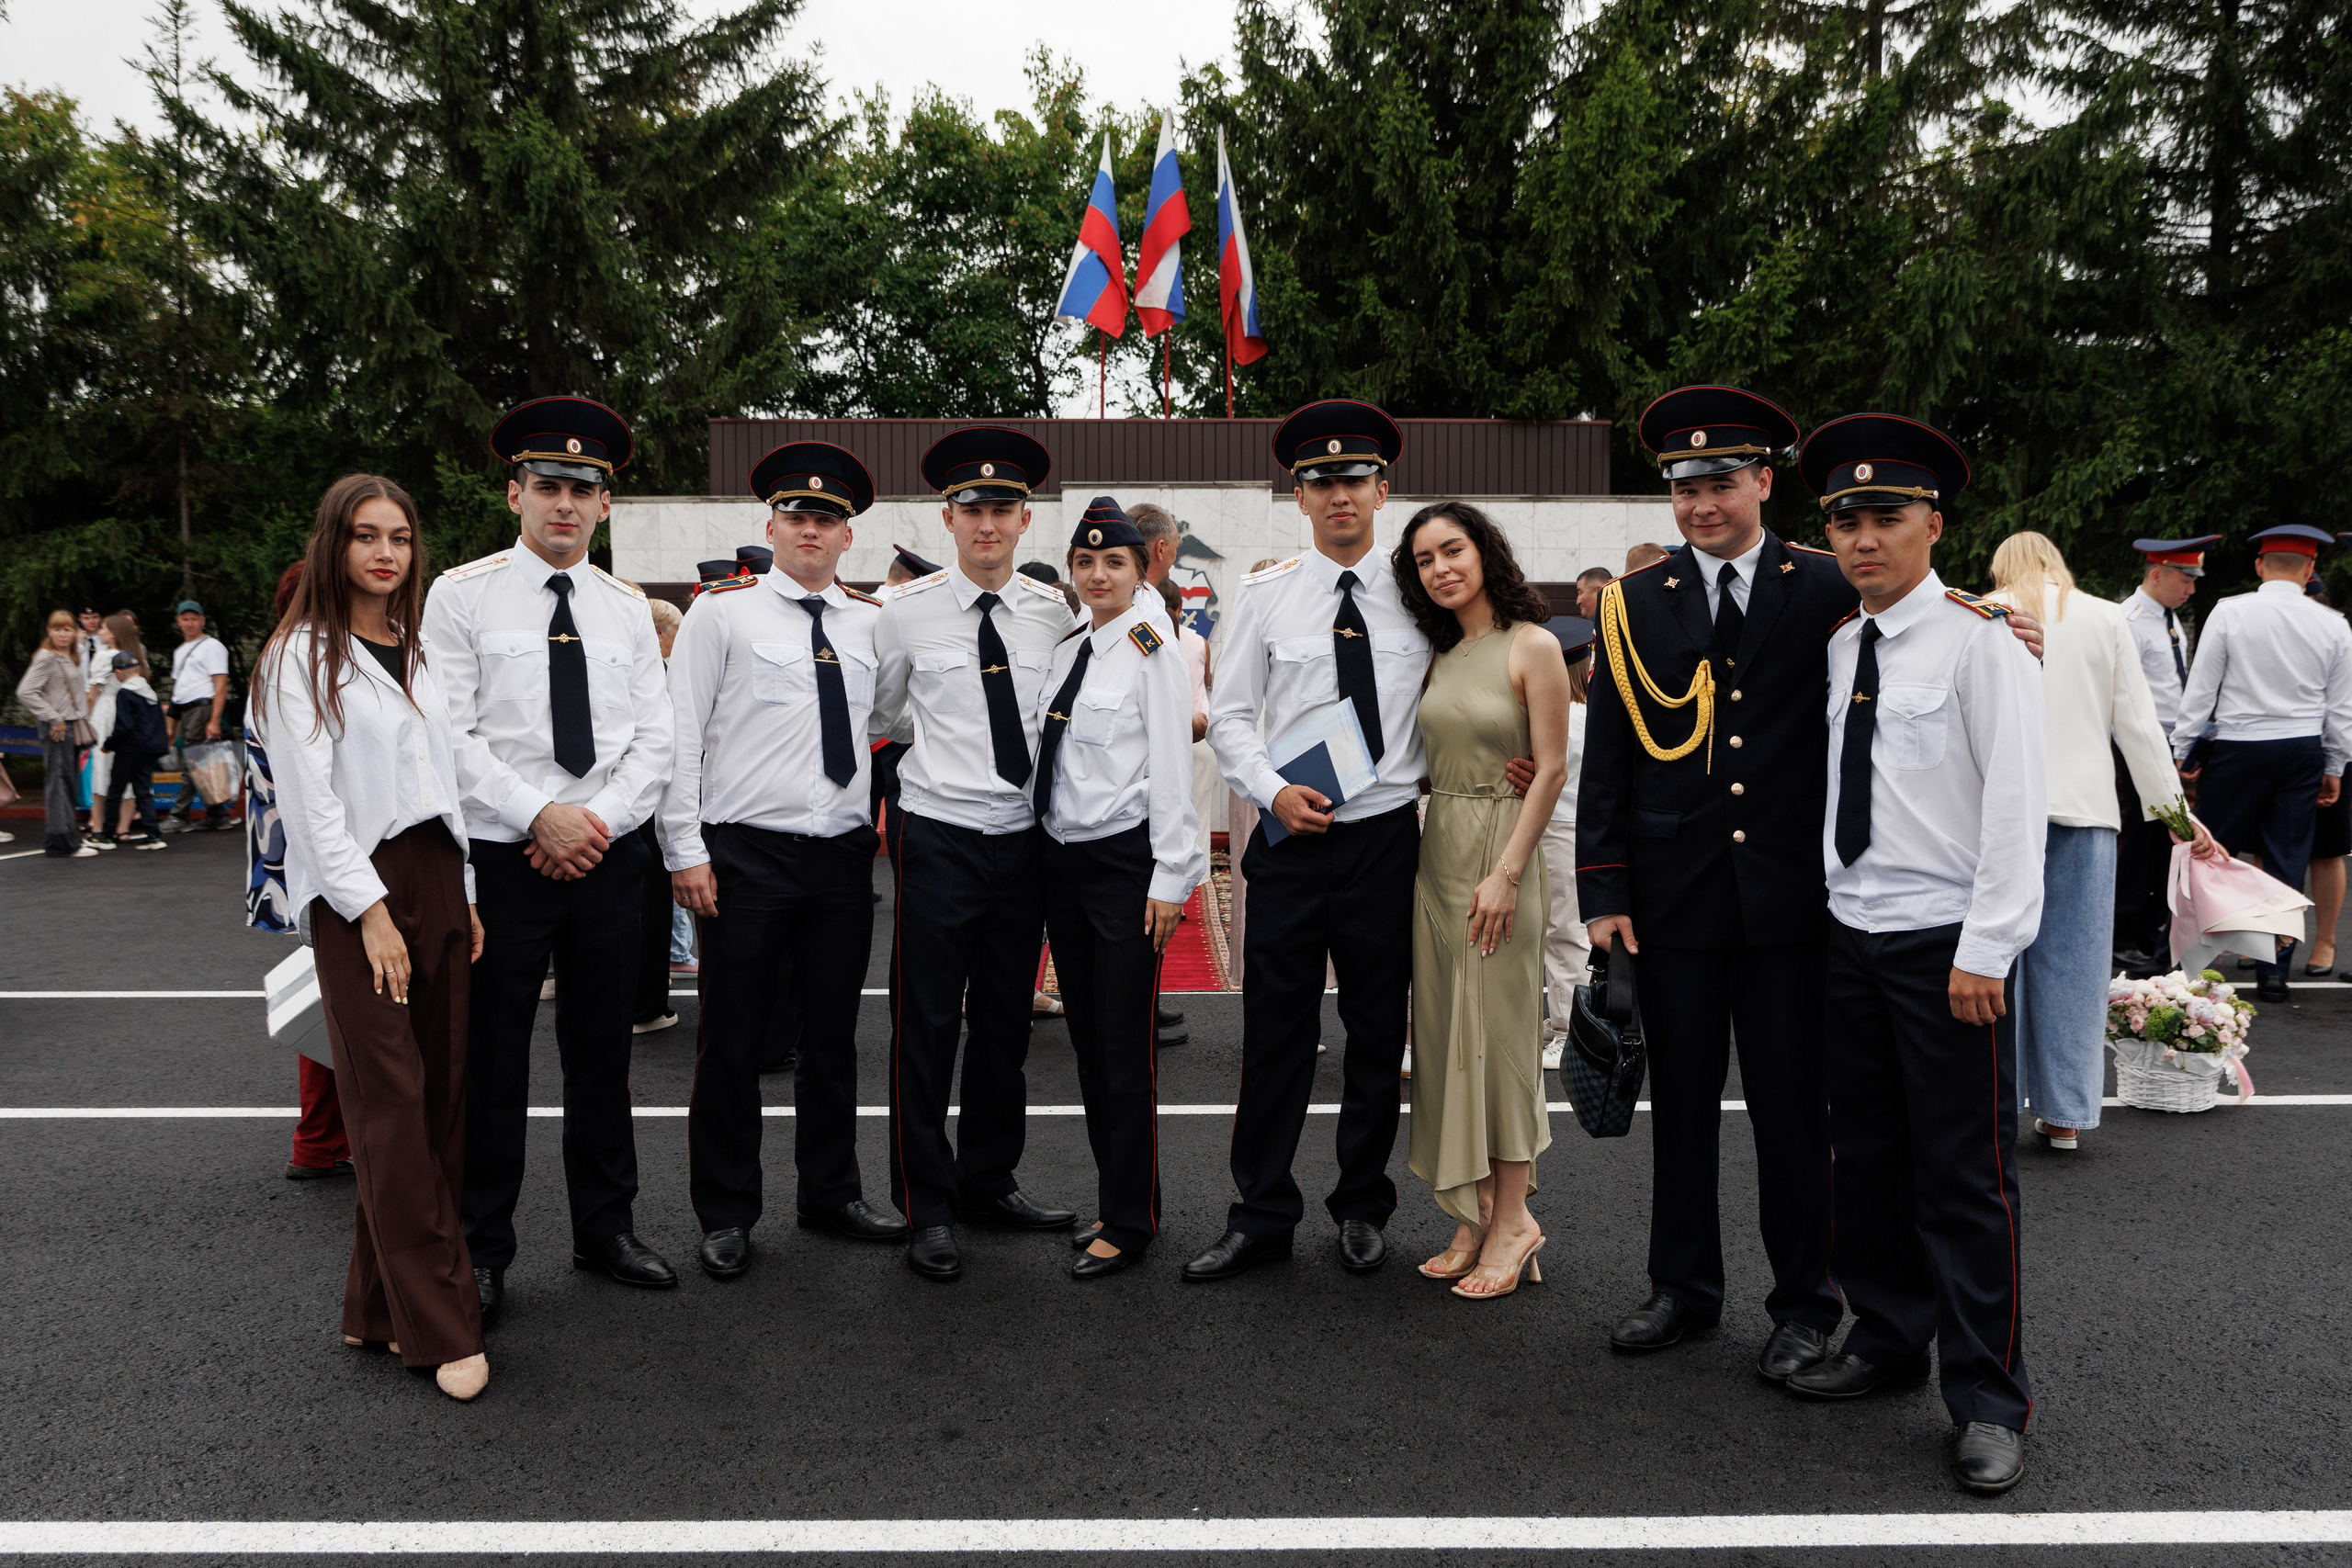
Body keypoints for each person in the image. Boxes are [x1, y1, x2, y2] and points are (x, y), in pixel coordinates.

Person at [1573, 386, 1850, 1374]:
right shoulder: (1630, 604)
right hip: (1673, 899)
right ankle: (1682, 1289)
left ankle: (1805, 1305)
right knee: (1680, 1110)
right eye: (1684, 488)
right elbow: (1607, 757)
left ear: (1763, 482)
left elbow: (1918, 619)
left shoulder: (1825, 585)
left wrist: (1999, 619)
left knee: (1791, 1115)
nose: (1701, 505)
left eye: (1721, 483)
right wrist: (1603, 892)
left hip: (1788, 901)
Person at [1792, 412, 2045, 1496]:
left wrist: (1987, 947)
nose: (1862, 538)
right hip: (1850, 934)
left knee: (1964, 1181)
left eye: (1885, 516)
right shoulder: (1845, 642)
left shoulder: (1983, 641)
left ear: (1934, 524)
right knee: (1867, 1161)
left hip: (1949, 947)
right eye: (1845, 520)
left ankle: (1988, 1400)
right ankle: (1887, 1338)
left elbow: (2015, 806)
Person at [423, 396, 678, 1325]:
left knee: (602, 1056)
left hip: (605, 857)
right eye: (548, 485)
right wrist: (541, 814)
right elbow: (445, 732)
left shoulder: (623, 607)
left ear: (605, 505)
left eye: (583, 488)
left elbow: (654, 740)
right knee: (492, 1066)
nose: (564, 502)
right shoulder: (461, 594)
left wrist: (593, 822)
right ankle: (483, 1252)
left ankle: (605, 1229)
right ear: (514, 494)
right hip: (503, 855)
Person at [252, 472, 489, 1402]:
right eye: (365, 535)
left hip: (438, 873)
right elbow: (310, 808)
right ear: (333, 546)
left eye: (399, 536)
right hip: (364, 895)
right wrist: (370, 911)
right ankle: (442, 1325)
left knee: (437, 1107)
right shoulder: (298, 655)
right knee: (388, 1108)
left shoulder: (416, 648)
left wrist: (465, 890)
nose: (385, 551)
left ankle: (377, 1309)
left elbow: (445, 780)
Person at [1193, 399, 1430, 1283]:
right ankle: (1260, 1212)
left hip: (1382, 842)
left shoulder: (1419, 593)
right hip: (1292, 839)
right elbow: (1232, 719)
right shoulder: (1263, 596)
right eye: (1322, 481)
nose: (1340, 495)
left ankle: (1362, 1205)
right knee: (1277, 1035)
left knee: (1375, 1034)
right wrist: (1271, 791)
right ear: (1299, 497)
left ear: (1382, 489)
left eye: (1355, 479)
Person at [662, 441, 908, 1280]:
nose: (811, 528)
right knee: (731, 1040)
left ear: (849, 538)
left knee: (833, 1038)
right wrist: (684, 849)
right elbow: (679, 738)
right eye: (797, 515)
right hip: (746, 853)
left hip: (841, 854)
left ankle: (831, 1192)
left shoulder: (873, 624)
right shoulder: (721, 615)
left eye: (827, 518)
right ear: (770, 525)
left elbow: (894, 722)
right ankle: (727, 1211)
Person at [871, 426, 1080, 1281]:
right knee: (923, 1024)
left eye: (1001, 508)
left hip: (1021, 841)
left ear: (1025, 519)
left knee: (1002, 1024)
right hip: (942, 836)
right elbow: (886, 718)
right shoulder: (904, 613)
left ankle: (989, 1177)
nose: (986, 523)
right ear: (947, 519)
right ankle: (927, 1204)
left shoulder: (1052, 614)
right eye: (971, 508)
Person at [1392, 502, 1571, 1300]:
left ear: (1484, 551)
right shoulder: (1440, 654)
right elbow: (1437, 758)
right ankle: (1476, 1211)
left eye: (1452, 549)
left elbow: (1554, 768)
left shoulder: (1532, 644)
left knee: (1498, 1039)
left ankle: (1514, 1221)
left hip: (1502, 855)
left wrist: (1506, 870)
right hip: (1440, 851)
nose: (1441, 569)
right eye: (1425, 560)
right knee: (1444, 1038)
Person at [1988, 533, 2214, 1154]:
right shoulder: (2105, 616)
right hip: (2086, 810)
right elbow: (2138, 723)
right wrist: (2175, 814)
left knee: (1993, 966)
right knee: (2077, 966)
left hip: (2001, 814)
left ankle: (1991, 1107)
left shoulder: (1979, 608)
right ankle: (2065, 1115)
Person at [1034, 498, 1205, 1279]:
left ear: (1143, 569)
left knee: (1123, 1047)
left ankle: (1132, 1220)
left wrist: (1173, 875)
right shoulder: (1074, 642)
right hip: (1063, 862)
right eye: (1086, 562)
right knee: (1089, 1044)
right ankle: (1116, 1197)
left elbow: (1174, 768)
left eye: (1114, 562)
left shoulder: (1150, 647)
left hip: (1124, 867)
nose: (1097, 574)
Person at [2169, 525, 2352, 1001]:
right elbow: (2340, 707)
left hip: (2240, 745)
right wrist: (2335, 764)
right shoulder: (2333, 623)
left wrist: (2181, 751)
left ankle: (2190, 958)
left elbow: (2202, 689)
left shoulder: (2230, 612)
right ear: (2310, 569)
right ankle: (2275, 972)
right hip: (2301, 748)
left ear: (2259, 566)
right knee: (2288, 856)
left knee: (2210, 850)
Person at [2113, 536, 2217, 970]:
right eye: (2185, 578)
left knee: (2166, 844)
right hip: (2138, 747)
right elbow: (2120, 695)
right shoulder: (2128, 620)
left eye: (2195, 580)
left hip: (2170, 745)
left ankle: (2148, 929)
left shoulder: (2169, 620)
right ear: (2157, 574)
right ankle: (2123, 934)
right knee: (2139, 845)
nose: (2191, 588)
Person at [631, 592, 687, 1038]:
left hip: (639, 806)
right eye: (674, 634)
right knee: (649, 910)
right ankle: (645, 1002)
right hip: (646, 806)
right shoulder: (658, 678)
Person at [1537, 621, 1593, 1070]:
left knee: (1561, 934)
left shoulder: (1557, 714)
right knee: (1564, 932)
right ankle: (1561, 1025)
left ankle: (1567, 1032)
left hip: (1556, 828)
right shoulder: (1590, 711)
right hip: (1577, 827)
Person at [17, 612, 100, 857]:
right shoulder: (47, 657)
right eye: (58, 629)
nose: (63, 634)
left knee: (68, 782)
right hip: (58, 728)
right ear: (49, 631)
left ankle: (68, 837)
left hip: (71, 726)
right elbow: (25, 692)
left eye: (67, 629)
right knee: (59, 784)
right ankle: (60, 842)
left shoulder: (70, 655)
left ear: (75, 632)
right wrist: (55, 718)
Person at [164, 599, 232, 832]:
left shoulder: (213, 647)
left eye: (194, 619)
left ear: (202, 620)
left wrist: (214, 720)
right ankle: (217, 814)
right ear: (178, 621)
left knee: (191, 763)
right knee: (200, 764)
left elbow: (221, 685)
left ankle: (179, 815)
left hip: (202, 708)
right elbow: (178, 690)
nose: (190, 623)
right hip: (185, 711)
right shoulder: (180, 651)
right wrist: (171, 723)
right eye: (185, 619)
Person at [97, 651, 170, 851]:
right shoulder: (150, 692)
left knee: (115, 792)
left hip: (129, 749)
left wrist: (109, 744)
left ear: (119, 672)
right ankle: (154, 836)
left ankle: (107, 835)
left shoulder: (125, 692)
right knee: (143, 792)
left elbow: (125, 726)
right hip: (149, 749)